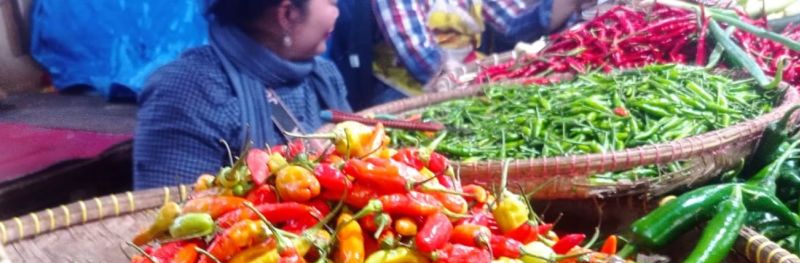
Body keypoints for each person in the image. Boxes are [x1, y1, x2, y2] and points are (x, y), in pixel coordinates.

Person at [133, 0, 349, 189]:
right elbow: (170, 218)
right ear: (287, 14)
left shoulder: (323, 77)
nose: (338, 13)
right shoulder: (188, 91)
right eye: (333, 2)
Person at [370, 0, 586, 104]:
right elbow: (420, 56)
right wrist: (464, 81)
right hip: (406, 93)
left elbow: (514, 23)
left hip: (463, 79)